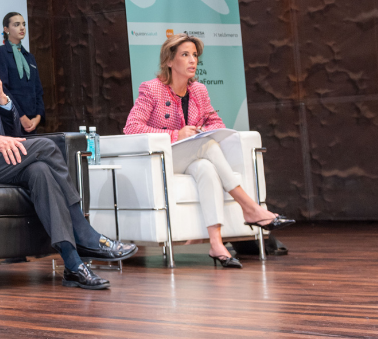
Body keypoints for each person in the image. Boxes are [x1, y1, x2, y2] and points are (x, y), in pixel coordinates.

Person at [0, 27, 137, 290]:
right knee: (44, 146)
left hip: (4, 160)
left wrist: (2, 99)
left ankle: (73, 264)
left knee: (41, 171)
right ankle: (86, 233)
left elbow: (16, 135)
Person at [123, 33, 295, 268]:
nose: (192, 60)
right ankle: (251, 208)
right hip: (163, 160)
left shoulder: (199, 91)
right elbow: (131, 128)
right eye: (185, 55)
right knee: (208, 145)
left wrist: (199, 129)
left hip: (191, 157)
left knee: (206, 167)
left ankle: (216, 244)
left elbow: (217, 123)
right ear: (169, 61)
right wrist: (176, 135)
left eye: (195, 55)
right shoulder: (152, 89)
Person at [0, 12, 45, 136]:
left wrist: (38, 117)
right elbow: (2, 88)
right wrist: (21, 116)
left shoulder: (29, 57)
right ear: (6, 29)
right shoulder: (1, 52)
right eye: (16, 24)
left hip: (32, 121)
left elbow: (38, 90)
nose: (22, 28)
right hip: (13, 118)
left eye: (23, 24)